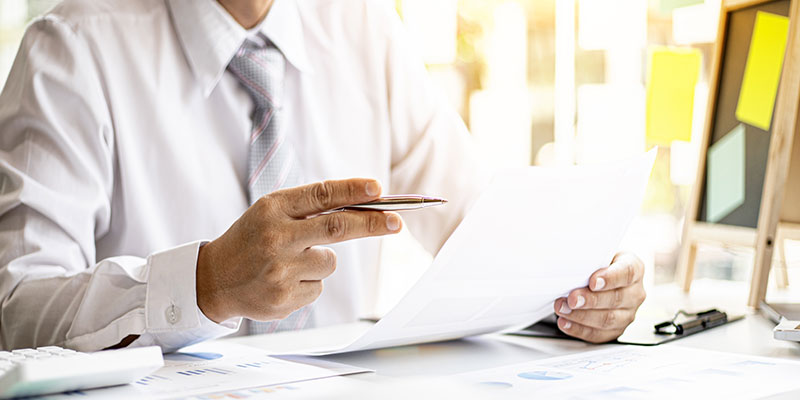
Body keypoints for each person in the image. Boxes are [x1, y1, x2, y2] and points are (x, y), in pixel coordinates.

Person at [0, 0, 646, 352]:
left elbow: (481, 231)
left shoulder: (363, 24)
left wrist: (581, 292)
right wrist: (206, 283)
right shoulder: (72, 48)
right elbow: (16, 310)